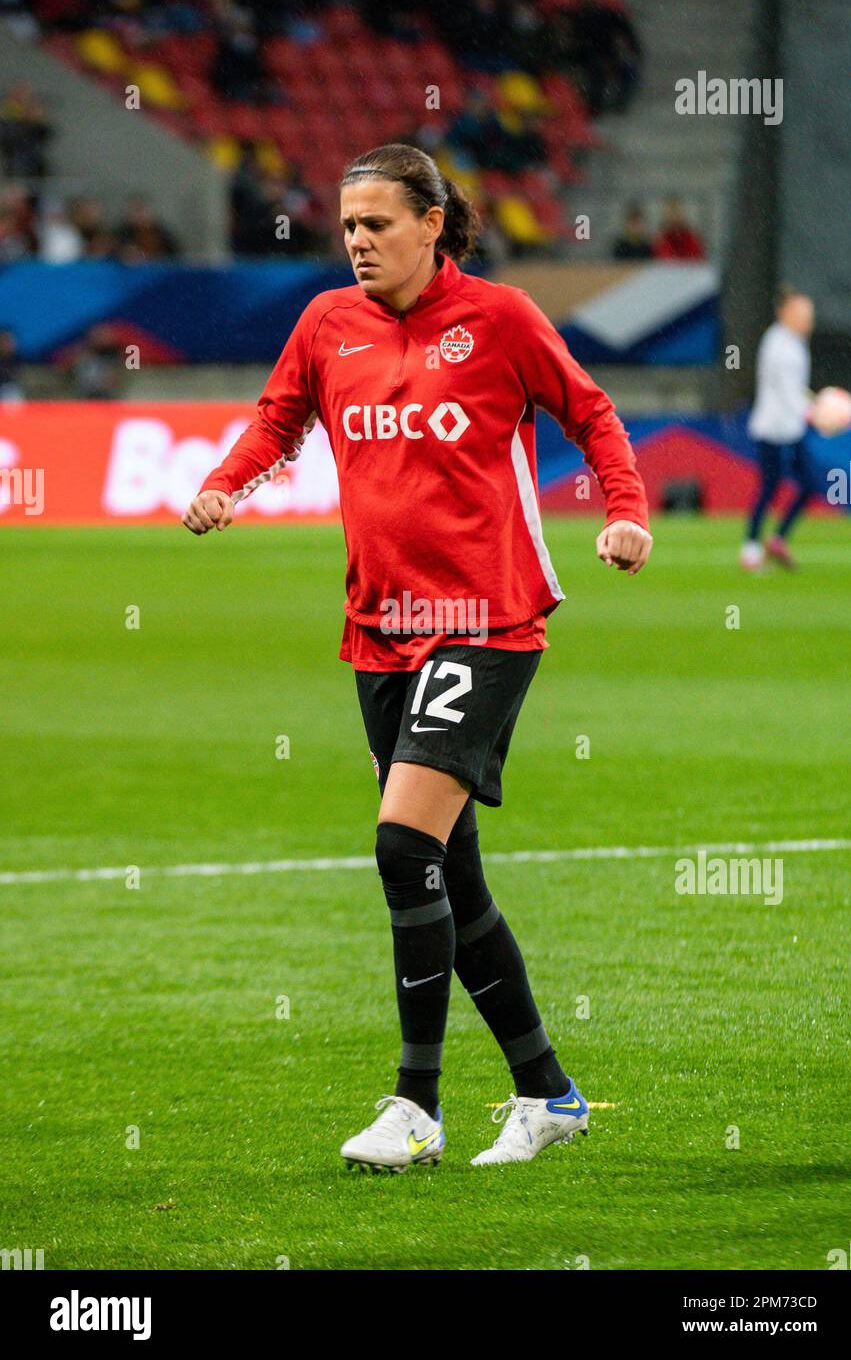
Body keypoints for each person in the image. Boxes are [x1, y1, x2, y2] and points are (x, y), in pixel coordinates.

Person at [182, 143, 652, 1170]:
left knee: (403, 847)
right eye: (347, 226)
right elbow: (280, 417)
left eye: (377, 224)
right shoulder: (327, 325)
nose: (356, 241)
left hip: (487, 620)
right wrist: (228, 482)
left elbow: (592, 411)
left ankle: (416, 1105)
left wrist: (625, 511)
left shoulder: (502, 320)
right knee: (453, 882)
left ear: (433, 225)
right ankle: (549, 1094)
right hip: (379, 626)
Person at [742, 290, 817, 570]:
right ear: (785, 313)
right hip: (772, 428)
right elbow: (787, 391)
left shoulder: (795, 342)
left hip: (791, 427)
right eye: (802, 315)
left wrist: (814, 405)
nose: (808, 321)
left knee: (808, 484)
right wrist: (814, 413)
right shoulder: (778, 343)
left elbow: (796, 389)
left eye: (810, 316)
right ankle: (750, 550)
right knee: (770, 487)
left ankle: (777, 540)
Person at [652, 196, 705, 260]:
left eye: (677, 211)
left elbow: (697, 257)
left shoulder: (692, 237)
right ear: (665, 215)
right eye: (671, 212)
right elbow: (662, 257)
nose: (674, 215)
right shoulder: (660, 238)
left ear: (682, 214)